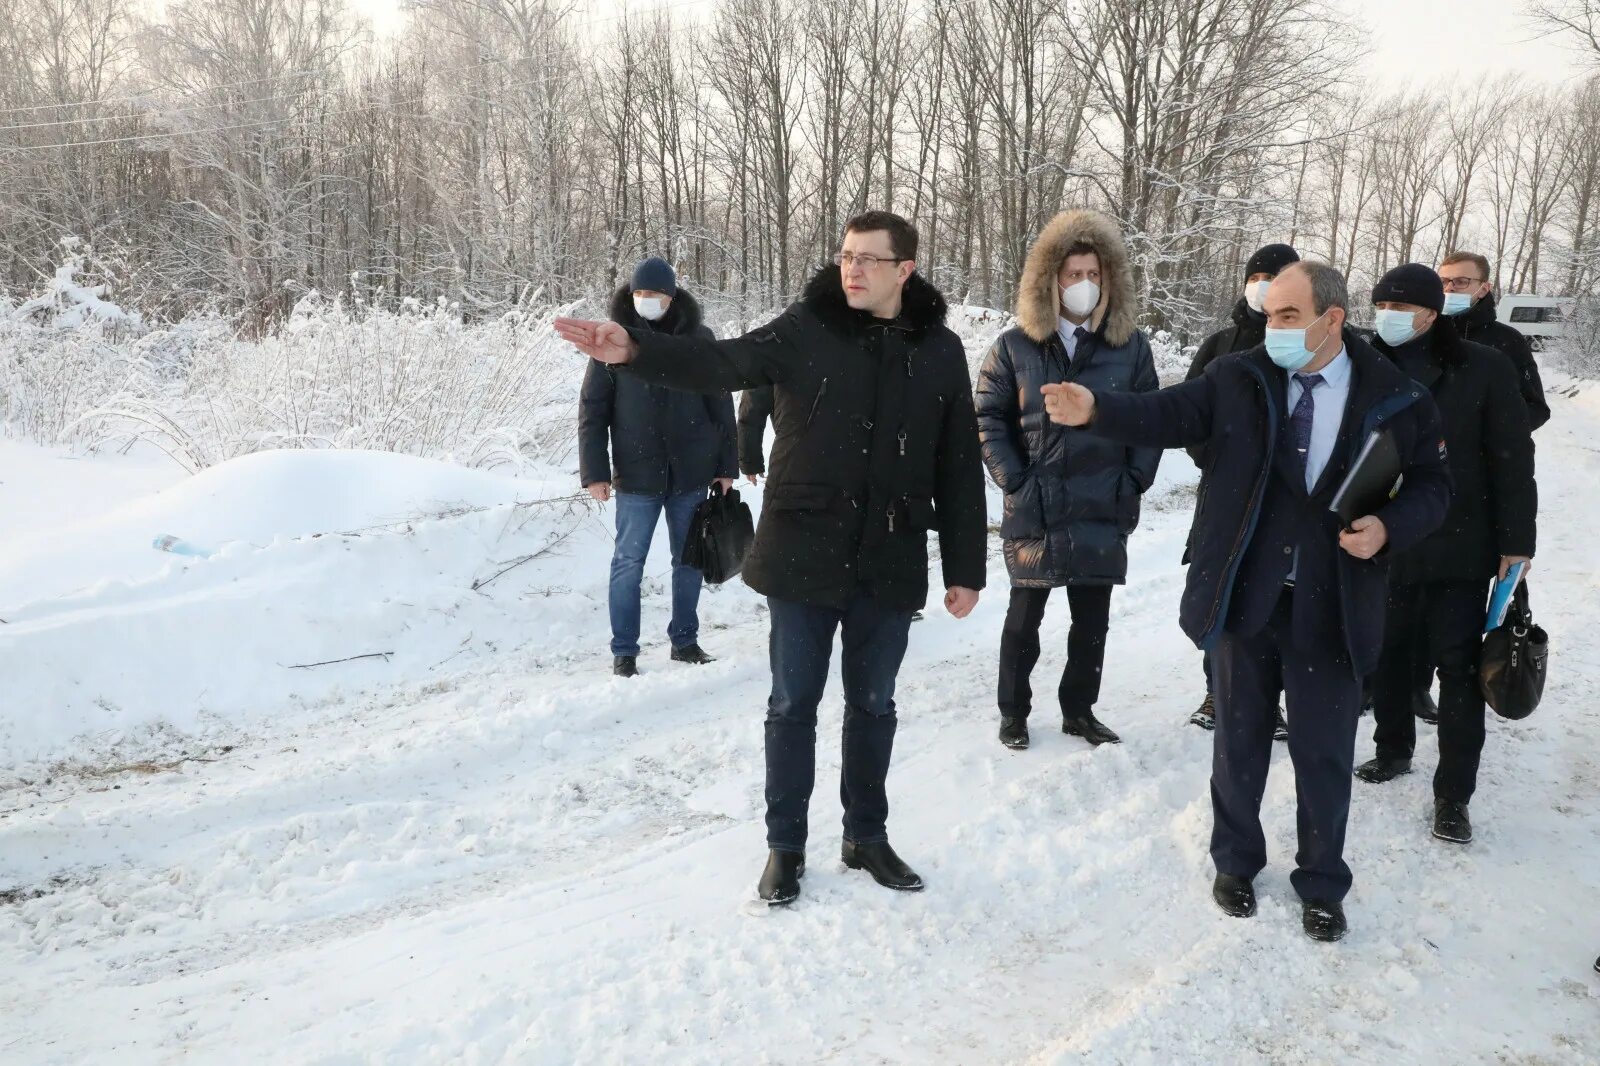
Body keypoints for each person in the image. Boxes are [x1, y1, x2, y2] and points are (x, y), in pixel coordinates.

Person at [555, 212, 988, 906]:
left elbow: (959, 462)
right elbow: (720, 362)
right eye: (847, 255)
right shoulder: (805, 327)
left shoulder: (937, 350)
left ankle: (865, 836)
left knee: (874, 704)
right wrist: (634, 348)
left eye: (870, 260)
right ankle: (785, 848)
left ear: (905, 270)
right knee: (793, 705)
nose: (852, 269)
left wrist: (966, 565)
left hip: (891, 553)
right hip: (803, 551)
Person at [1038, 260, 1451, 942]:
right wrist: (1098, 409)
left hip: (1334, 602)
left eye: (1288, 316)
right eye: (1269, 315)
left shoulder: (1397, 396)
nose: (1273, 328)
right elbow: (1171, 412)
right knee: (1239, 742)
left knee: (1323, 752)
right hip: (1247, 593)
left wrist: (1389, 527)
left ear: (1332, 319)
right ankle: (1235, 861)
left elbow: (1436, 486)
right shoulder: (1241, 378)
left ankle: (1322, 882)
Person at [1354, 264, 1535, 846]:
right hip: (1382, 538)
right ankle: (1392, 749)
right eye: (1381, 303)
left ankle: (1453, 794)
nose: (1388, 315)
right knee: (1387, 655)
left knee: (1459, 671)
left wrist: (1516, 544)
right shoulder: (1359, 365)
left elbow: (1512, 458)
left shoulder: (1484, 367)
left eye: (1401, 306)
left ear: (1430, 314)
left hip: (1461, 543)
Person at [974, 208, 1161, 751]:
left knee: (1092, 624)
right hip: (1039, 502)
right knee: (1023, 622)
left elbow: (1151, 418)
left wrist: (1135, 480)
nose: (1084, 285)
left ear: (1110, 281)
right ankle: (1013, 713)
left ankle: (1079, 711)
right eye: (1073, 273)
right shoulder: (1015, 347)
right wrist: (1015, 479)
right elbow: (988, 415)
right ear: (1050, 279)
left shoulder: (1131, 348)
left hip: (1105, 501)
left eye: (1094, 274)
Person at [578, 257, 736, 677]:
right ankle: (624, 651)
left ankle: (685, 641)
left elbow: (721, 404)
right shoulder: (614, 341)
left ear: (672, 297)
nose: (647, 301)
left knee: (688, 560)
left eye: (656, 295)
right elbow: (594, 410)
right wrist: (595, 471)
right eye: (640, 294)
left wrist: (726, 465)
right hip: (636, 475)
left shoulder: (699, 339)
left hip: (691, 472)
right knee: (628, 561)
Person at [1185, 242, 1300, 737]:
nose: (1263, 284)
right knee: (1222, 591)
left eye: (1275, 277)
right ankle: (1218, 690)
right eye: (1256, 275)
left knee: (1276, 600)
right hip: (1225, 499)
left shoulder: (1303, 345)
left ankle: (1271, 699)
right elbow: (1189, 417)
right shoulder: (1219, 345)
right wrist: (1215, 460)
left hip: (1285, 503)